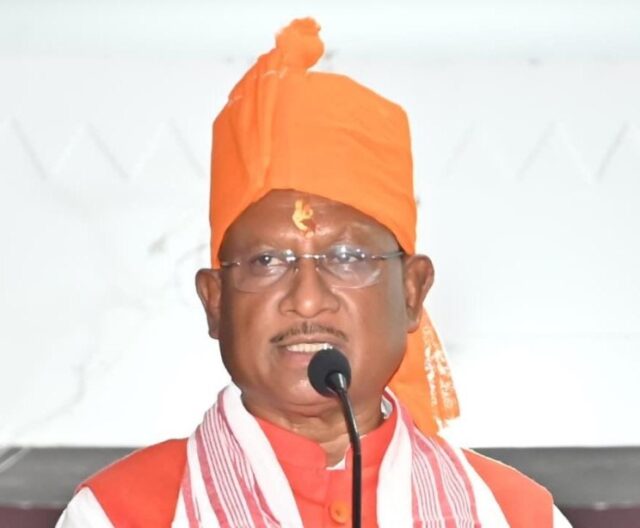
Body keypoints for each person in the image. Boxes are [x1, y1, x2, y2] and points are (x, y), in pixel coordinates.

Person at [56, 18, 572, 527]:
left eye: (347, 258)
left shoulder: (516, 515)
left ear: (412, 293)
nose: (306, 299)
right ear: (215, 302)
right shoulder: (118, 514)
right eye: (267, 261)